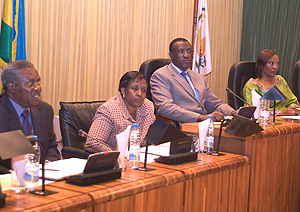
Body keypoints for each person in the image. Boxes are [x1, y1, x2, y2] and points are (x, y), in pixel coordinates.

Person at [150, 38, 235, 123]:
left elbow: (215, 104)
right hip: (183, 126)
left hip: (204, 125)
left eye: (189, 51)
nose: (186, 55)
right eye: (181, 51)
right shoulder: (161, 75)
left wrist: (233, 112)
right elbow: (165, 108)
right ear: (171, 55)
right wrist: (200, 117)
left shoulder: (199, 77)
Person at [0, 60, 61, 164]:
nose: (38, 88)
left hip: (43, 176)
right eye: (31, 83)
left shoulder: (45, 110)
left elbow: (51, 148)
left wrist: (47, 165)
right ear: (12, 87)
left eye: (39, 82)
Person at [85, 71, 155, 153]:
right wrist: (116, 156)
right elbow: (93, 143)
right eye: (135, 89)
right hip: (114, 161)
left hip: (140, 157)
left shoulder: (147, 106)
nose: (140, 94)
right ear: (123, 90)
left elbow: (152, 137)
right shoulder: (109, 110)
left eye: (143, 90)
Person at [243, 49, 300, 115]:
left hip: (288, 120)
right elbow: (252, 112)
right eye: (271, 63)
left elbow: (292, 101)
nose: (275, 67)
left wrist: (293, 109)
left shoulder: (280, 80)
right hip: (266, 121)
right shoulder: (252, 86)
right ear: (262, 65)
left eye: (277, 63)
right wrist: (282, 113)